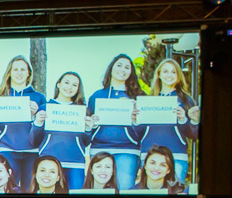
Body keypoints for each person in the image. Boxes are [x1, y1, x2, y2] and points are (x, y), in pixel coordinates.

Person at [0, 56, 47, 190]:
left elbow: (44, 130)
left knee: (30, 191)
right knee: (8, 189)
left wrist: (35, 116)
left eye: (23, 70)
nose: (19, 73)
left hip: (32, 151)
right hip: (7, 150)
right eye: (15, 70)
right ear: (9, 72)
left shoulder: (39, 97)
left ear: (28, 73)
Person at [135, 58, 199, 183]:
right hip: (149, 156)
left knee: (174, 193)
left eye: (173, 72)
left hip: (176, 155)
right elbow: (139, 132)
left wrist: (183, 119)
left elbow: (193, 134)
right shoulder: (148, 100)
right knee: (151, 193)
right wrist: (135, 121)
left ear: (178, 76)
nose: (169, 75)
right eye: (165, 71)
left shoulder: (186, 100)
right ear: (159, 74)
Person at [88, 54, 144, 190]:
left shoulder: (138, 97)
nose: (122, 70)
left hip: (127, 150)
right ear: (111, 68)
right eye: (119, 65)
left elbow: (145, 131)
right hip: (100, 148)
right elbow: (87, 129)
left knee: (124, 189)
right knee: (99, 191)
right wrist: (93, 123)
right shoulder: (97, 96)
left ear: (131, 72)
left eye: (127, 67)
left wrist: (135, 119)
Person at [30, 71, 93, 190]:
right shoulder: (45, 108)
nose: (70, 87)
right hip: (49, 163)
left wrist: (88, 129)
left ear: (78, 89)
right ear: (58, 84)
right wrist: (38, 123)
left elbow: (85, 142)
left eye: (74, 85)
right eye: (67, 83)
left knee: (75, 197)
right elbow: (34, 141)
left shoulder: (82, 111)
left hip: (75, 163)